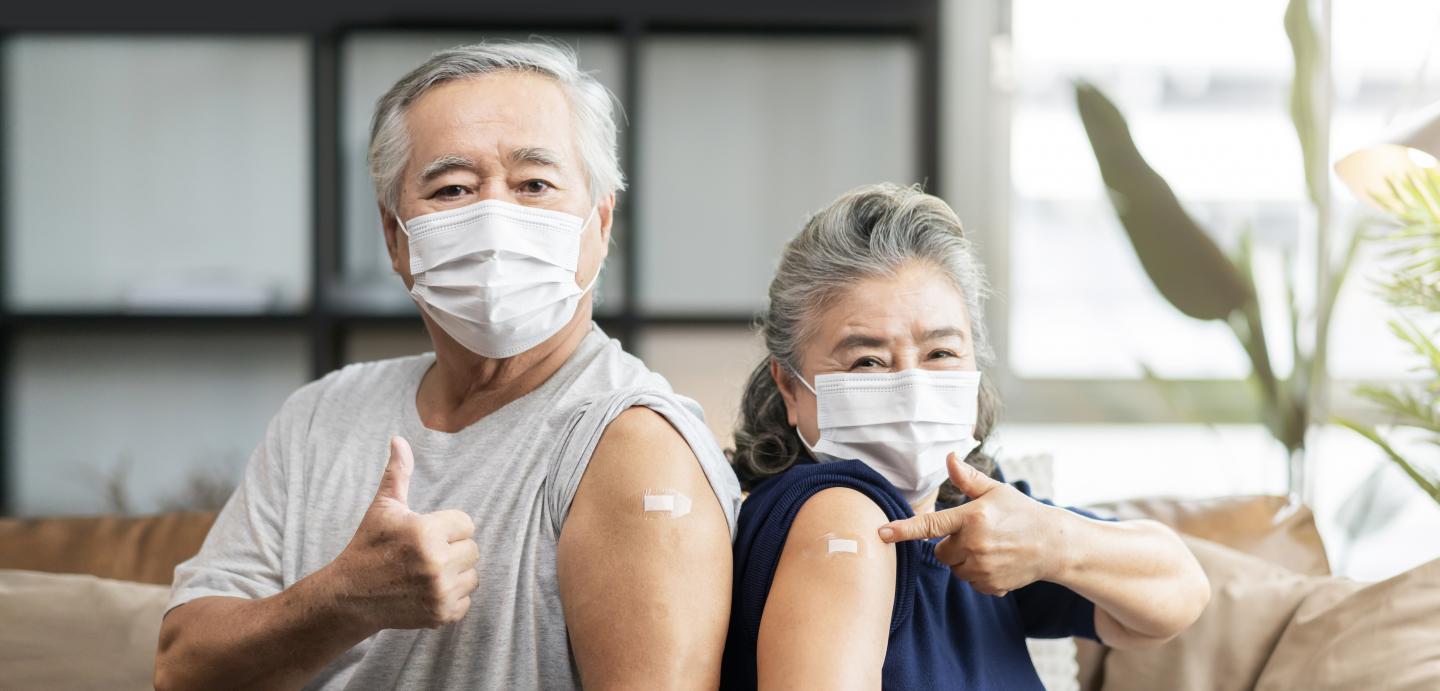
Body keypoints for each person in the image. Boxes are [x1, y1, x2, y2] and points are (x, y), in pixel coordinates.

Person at [154, 41, 742, 690]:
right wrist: (346, 598)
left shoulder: (636, 443)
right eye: (453, 187)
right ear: (395, 238)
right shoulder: (321, 413)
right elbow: (182, 668)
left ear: (599, 225)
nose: (496, 216)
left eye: (535, 184)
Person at [721, 183, 1210, 690]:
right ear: (788, 385)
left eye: (940, 353)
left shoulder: (980, 530)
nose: (911, 387)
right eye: (867, 361)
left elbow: (1181, 592)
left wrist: (1050, 543)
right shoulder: (836, 515)